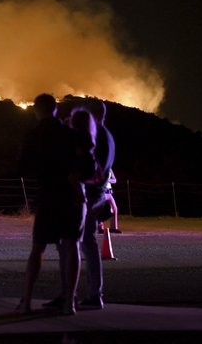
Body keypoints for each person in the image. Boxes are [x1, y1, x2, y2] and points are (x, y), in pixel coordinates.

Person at [17, 94, 92, 315]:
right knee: (72, 248)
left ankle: (27, 300)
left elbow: (21, 168)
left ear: (35, 110)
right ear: (56, 109)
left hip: (48, 196)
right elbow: (89, 165)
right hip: (72, 197)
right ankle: (70, 301)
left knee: (38, 248)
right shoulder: (72, 135)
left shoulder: (32, 135)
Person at [80, 99, 116, 309]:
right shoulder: (108, 136)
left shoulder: (99, 137)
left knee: (83, 244)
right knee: (87, 244)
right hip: (98, 195)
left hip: (91, 195)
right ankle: (93, 293)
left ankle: (93, 294)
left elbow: (95, 170)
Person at [98, 170, 121, 234]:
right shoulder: (99, 167)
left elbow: (115, 180)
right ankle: (100, 228)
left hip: (109, 191)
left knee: (115, 208)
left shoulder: (110, 169)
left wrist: (107, 180)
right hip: (102, 190)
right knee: (100, 208)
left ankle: (114, 228)